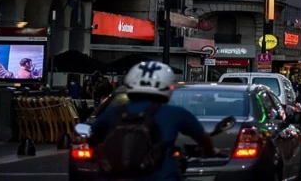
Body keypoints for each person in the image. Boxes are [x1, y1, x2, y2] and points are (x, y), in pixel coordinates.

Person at [88, 61, 219, 181]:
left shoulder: (113, 112)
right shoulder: (175, 113)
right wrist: (211, 152)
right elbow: (203, 138)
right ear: (168, 86)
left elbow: (92, 137)